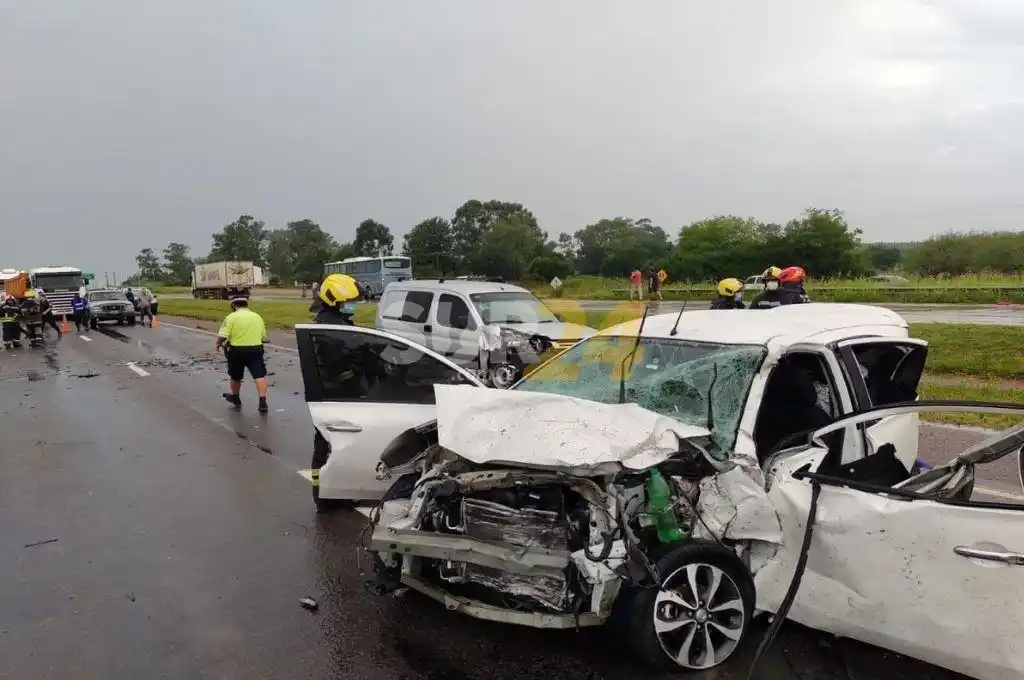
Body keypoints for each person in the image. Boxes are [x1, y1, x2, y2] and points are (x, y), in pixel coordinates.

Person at [215, 297, 270, 413]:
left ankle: (236, 397)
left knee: (235, 376)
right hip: (255, 349)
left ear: (234, 306)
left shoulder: (231, 317)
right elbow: (264, 337)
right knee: (259, 375)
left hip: (237, 350)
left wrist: (218, 343)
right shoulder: (257, 317)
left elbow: (223, 335)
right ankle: (263, 402)